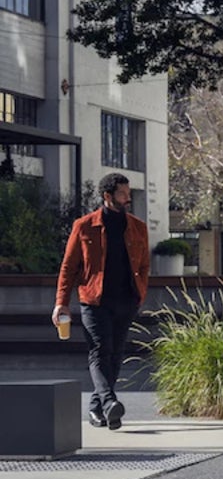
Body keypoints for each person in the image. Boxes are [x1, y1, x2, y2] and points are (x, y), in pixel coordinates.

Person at [53, 173, 150, 431]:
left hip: (126, 300)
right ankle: (109, 402)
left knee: (115, 355)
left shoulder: (138, 227)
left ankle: (98, 408)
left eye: (128, 193)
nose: (128, 198)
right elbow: (68, 267)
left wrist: (140, 293)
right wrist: (61, 302)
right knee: (99, 351)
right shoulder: (84, 226)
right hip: (94, 300)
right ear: (107, 196)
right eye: (122, 194)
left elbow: (144, 264)